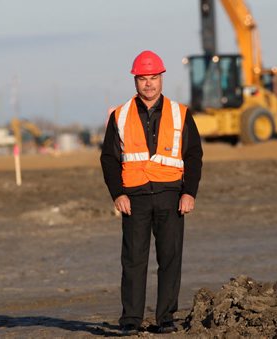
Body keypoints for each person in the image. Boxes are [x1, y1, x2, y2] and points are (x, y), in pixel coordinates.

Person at [100, 50, 203, 335]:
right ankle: (131, 320)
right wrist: (117, 194)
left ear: (162, 78)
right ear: (135, 80)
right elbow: (109, 158)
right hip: (134, 199)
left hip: (172, 196)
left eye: (154, 77)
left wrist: (189, 192)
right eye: (143, 78)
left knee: (170, 258)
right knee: (133, 261)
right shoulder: (119, 116)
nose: (149, 84)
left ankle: (166, 318)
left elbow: (193, 155)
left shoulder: (180, 113)